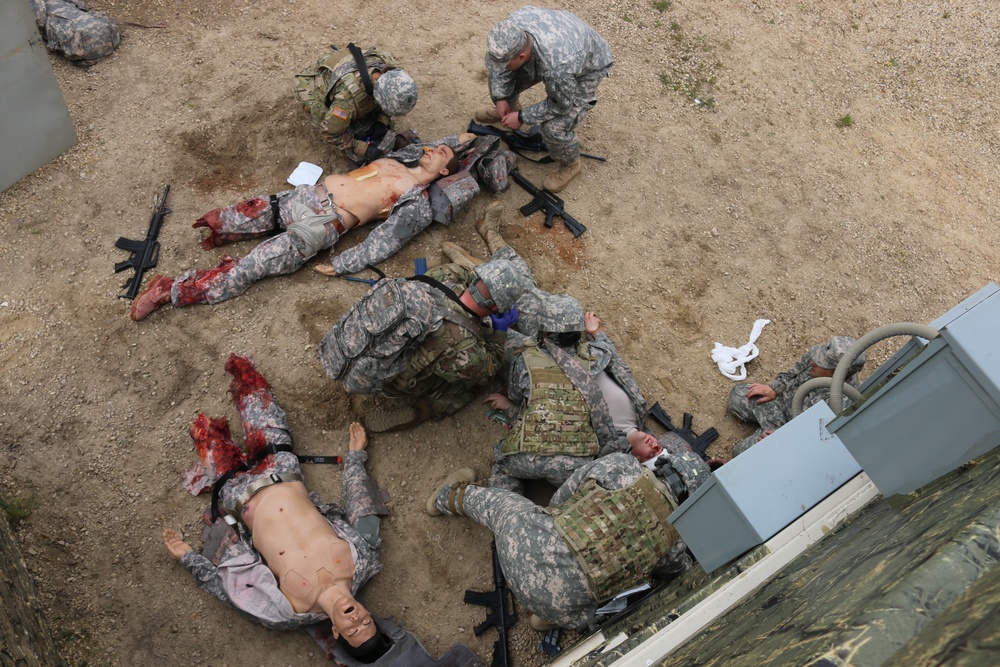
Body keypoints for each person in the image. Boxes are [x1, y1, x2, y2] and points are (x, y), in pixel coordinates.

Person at [161, 354, 392, 657]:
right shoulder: (361, 559)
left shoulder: (288, 611)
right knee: (249, 382)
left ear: (336, 632)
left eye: (352, 630)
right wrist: (355, 457)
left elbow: (232, 592)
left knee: (203, 430)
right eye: (366, 622)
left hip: (237, 492)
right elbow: (362, 506)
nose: (356, 619)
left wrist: (189, 557)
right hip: (281, 466)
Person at [129, 136, 470, 321]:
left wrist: (341, 264)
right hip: (301, 196)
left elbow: (384, 242)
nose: (432, 149)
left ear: (444, 172)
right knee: (225, 218)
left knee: (252, 266)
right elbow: (454, 140)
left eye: (441, 152)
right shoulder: (400, 158)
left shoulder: (416, 201)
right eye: (433, 145)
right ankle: (222, 235)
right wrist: (461, 139)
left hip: (321, 223)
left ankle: (171, 291)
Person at [425, 452, 698, 632]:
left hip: (518, 550)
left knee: (503, 508)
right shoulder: (676, 541)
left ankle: (445, 497)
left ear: (663, 465)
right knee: (618, 587)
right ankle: (545, 617)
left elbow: (560, 499)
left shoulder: (622, 466)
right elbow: (677, 572)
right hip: (563, 610)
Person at [320, 256, 533, 432]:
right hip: (392, 379)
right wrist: (499, 333)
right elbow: (488, 368)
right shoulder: (465, 347)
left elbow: (467, 278)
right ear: (496, 307)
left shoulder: (447, 274)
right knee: (474, 385)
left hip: (358, 343)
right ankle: (428, 408)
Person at [482, 296, 650, 493]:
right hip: (574, 466)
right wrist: (596, 331)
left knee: (503, 469)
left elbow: (518, 398)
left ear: (544, 330)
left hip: (529, 456)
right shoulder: (595, 356)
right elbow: (612, 355)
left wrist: (509, 406)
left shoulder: (524, 362)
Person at [475, 6, 613, 193]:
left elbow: (560, 105)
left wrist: (523, 117)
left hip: (588, 64)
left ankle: (571, 164)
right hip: (557, 43)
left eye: (505, 63)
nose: (500, 67)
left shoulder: (559, 68)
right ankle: (508, 111)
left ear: (522, 56)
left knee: (553, 128)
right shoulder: (511, 30)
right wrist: (501, 98)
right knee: (498, 79)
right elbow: (499, 69)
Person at [728, 336, 867, 455]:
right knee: (738, 396)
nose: (812, 362)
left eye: (821, 365)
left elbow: (813, 443)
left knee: (740, 452)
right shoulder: (819, 355)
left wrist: (782, 440)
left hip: (788, 431)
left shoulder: (840, 405)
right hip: (781, 404)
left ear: (836, 373)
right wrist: (774, 388)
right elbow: (795, 371)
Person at [294, 44, 418, 163]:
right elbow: (329, 133)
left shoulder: (393, 72)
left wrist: (382, 120)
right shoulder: (347, 101)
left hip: (345, 62)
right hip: (316, 82)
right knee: (324, 116)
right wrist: (363, 148)